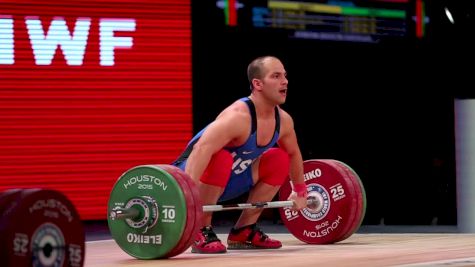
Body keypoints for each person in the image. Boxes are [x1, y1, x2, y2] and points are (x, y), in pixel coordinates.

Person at [172, 55, 308, 254]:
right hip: (192, 175)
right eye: (276, 76)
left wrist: (300, 191)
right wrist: (187, 194)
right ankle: (201, 229)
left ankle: (243, 231)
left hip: (231, 178)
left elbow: (294, 153)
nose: (285, 81)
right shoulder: (238, 116)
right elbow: (202, 150)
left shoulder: (283, 121)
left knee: (279, 158)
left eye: (285, 76)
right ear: (257, 84)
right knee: (221, 157)